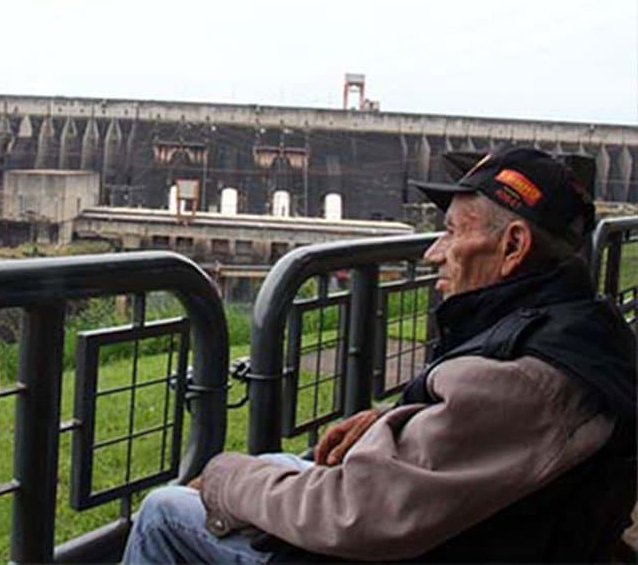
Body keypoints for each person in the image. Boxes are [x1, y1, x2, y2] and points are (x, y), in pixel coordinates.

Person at [122, 147, 636, 563]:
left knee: (165, 509)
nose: (434, 252)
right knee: (279, 463)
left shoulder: (529, 375)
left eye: (454, 232)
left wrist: (222, 476)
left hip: (404, 541)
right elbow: (481, 442)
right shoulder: (578, 328)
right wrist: (394, 420)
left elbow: (353, 511)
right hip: (483, 535)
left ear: (513, 246)